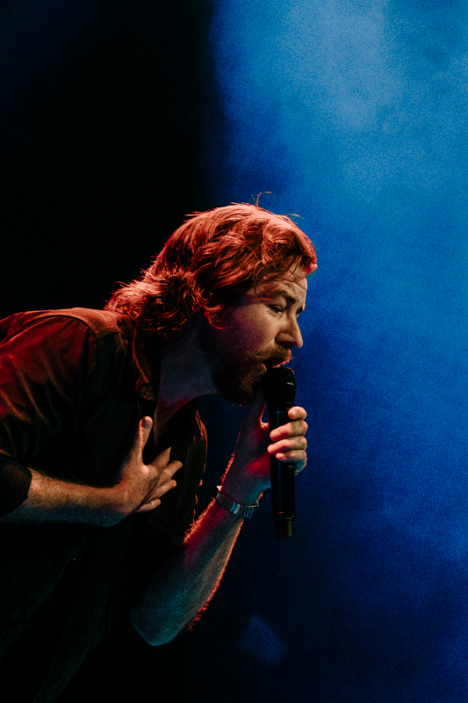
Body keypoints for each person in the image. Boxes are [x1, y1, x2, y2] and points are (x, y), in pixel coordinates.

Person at [0, 203, 317, 702]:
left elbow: (155, 623)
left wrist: (240, 487)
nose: (293, 337)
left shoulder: (188, 440)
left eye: (297, 314)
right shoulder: (81, 344)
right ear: (210, 295)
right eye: (278, 307)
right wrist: (104, 504)